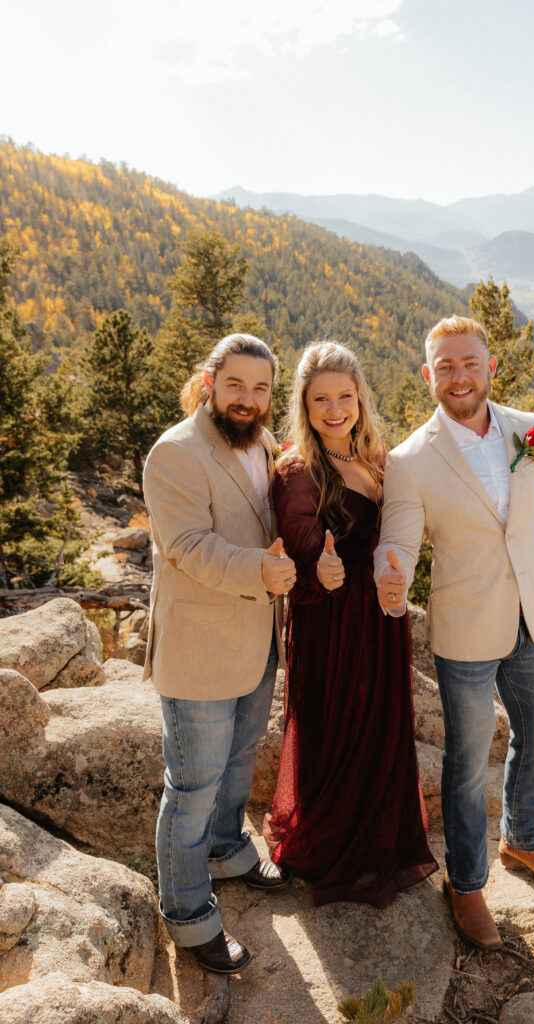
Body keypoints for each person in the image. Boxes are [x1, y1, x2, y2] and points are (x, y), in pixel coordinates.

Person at [374, 316, 534, 950]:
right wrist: (389, 576)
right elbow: (397, 539)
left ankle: (524, 840)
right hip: (466, 625)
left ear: (490, 367)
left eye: (469, 363)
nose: (458, 376)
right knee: (468, 760)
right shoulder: (410, 460)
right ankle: (467, 883)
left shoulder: (530, 430)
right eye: (444, 367)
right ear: (428, 376)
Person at [263, 340, 438, 908]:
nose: (335, 409)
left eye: (345, 396)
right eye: (321, 400)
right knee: (337, 732)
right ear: (304, 404)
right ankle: (332, 845)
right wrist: (323, 569)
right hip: (332, 624)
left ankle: (378, 837)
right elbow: (301, 555)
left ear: (361, 398)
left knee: (382, 727)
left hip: (380, 616)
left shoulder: (377, 458)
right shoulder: (296, 471)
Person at [143, 333, 295, 975]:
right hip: (200, 646)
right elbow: (186, 545)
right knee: (193, 787)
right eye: (236, 384)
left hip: (256, 638)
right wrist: (261, 570)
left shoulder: (260, 443)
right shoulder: (175, 452)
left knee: (237, 763)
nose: (248, 398)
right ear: (209, 383)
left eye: (261, 387)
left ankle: (229, 850)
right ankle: (188, 917)